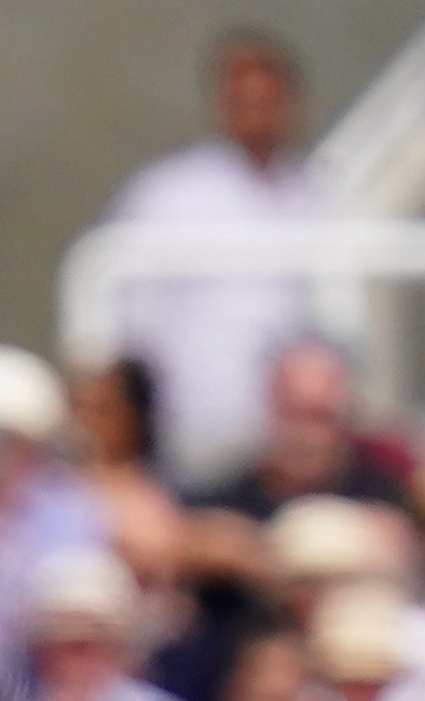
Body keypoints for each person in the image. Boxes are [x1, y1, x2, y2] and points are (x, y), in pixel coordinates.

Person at [98, 28, 325, 487]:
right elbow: (126, 325)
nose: (257, 112)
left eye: (268, 99)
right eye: (243, 99)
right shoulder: (167, 194)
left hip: (290, 449)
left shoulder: (319, 196)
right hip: (191, 438)